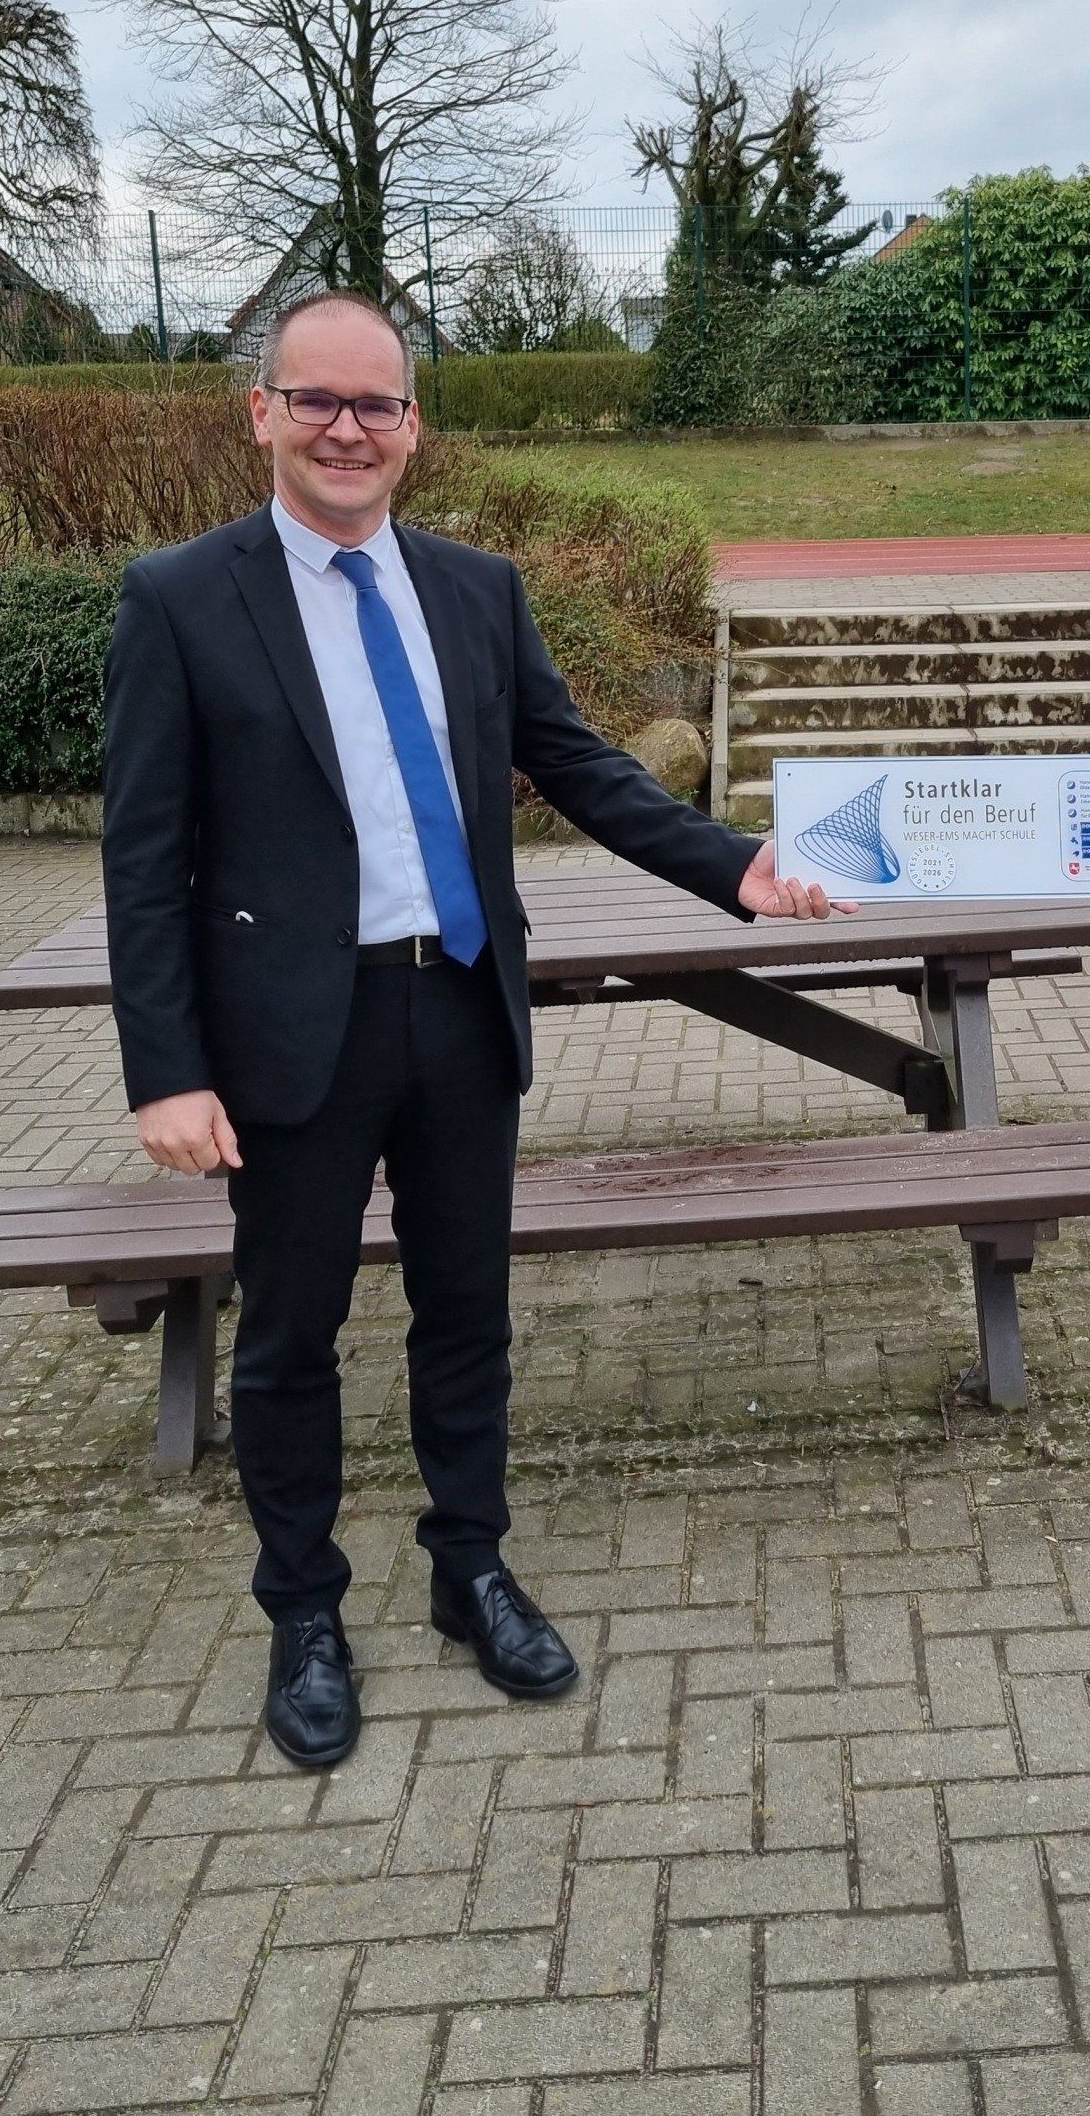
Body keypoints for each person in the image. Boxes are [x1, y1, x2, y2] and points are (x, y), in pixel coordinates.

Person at [102, 290, 840, 1771]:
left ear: (414, 426)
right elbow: (144, 853)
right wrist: (167, 1070)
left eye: (376, 405)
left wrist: (735, 867)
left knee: (468, 1312)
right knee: (291, 1334)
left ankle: (469, 1566)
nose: (347, 430)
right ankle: (305, 1612)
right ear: (262, 413)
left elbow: (577, 763)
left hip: (460, 1002)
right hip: (293, 1032)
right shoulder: (180, 598)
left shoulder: (474, 589)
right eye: (317, 400)